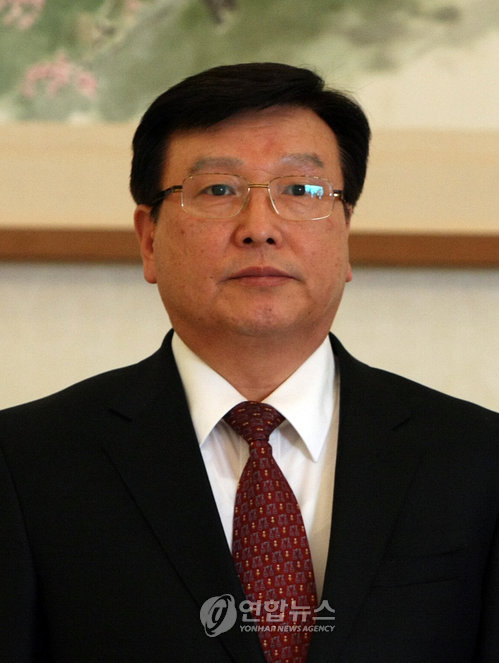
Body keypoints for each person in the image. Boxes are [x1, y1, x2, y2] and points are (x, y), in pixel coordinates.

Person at [0, 63, 497, 663]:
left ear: (346, 233)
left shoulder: (478, 459)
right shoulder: (25, 463)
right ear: (149, 240)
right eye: (218, 190)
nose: (260, 229)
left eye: (301, 191)